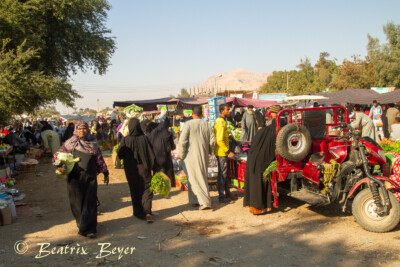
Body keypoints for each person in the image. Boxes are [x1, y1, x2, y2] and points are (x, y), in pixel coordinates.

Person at [54, 120, 109, 238]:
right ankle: (81, 223)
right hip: (74, 177)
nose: (82, 131)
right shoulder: (70, 143)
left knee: (90, 201)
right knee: (77, 201)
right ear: (76, 130)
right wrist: (59, 166)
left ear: (88, 129)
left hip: (90, 176)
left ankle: (90, 228)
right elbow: (57, 156)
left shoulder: (93, 141)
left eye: (84, 128)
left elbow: (99, 158)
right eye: (79, 129)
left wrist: (105, 172)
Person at [244, 105, 283, 215]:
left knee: (257, 178)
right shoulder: (274, 125)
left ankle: (259, 207)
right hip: (264, 157)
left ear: (273, 113)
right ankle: (265, 206)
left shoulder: (270, 126)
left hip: (258, 159)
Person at [117, 119, 157, 223]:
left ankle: (138, 212)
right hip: (145, 169)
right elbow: (151, 154)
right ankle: (147, 211)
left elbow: (120, 154)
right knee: (147, 189)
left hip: (132, 171)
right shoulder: (144, 138)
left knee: (135, 191)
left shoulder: (125, 140)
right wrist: (155, 167)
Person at [178, 106, 215, 209]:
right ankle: (198, 200)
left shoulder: (188, 124)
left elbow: (182, 141)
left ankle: (202, 202)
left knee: (193, 178)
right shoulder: (207, 124)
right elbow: (212, 141)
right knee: (201, 177)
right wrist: (209, 151)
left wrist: (181, 155)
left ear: (193, 114)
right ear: (201, 114)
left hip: (190, 156)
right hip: (203, 155)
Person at [214, 104, 236, 203]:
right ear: (222, 111)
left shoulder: (222, 121)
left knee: (225, 174)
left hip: (222, 151)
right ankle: (221, 196)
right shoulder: (221, 122)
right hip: (221, 152)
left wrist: (228, 137)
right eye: (227, 110)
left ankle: (227, 194)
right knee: (222, 174)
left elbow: (221, 137)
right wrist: (228, 152)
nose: (229, 111)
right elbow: (219, 140)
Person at [149, 118, 176, 187]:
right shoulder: (167, 134)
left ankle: (157, 184)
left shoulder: (153, 133)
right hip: (166, 156)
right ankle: (169, 184)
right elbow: (172, 147)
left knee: (157, 171)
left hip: (155, 156)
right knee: (167, 169)